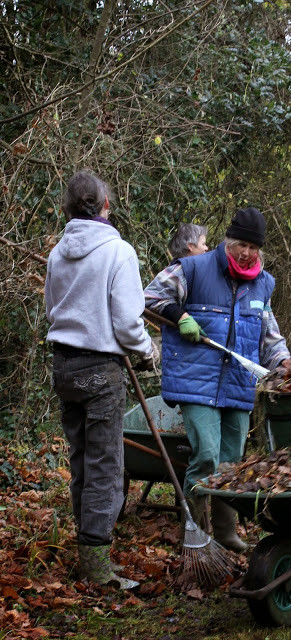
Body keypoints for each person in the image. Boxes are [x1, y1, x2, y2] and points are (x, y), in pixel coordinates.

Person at [144, 207, 290, 552]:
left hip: (238, 382)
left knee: (231, 463)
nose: (246, 253)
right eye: (240, 244)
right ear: (227, 240)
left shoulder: (262, 283)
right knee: (207, 456)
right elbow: (150, 296)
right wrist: (179, 316)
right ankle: (194, 536)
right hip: (196, 381)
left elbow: (268, 334)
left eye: (253, 248)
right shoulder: (193, 268)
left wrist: (283, 364)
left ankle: (225, 533)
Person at [45, 170, 159, 590]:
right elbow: (129, 323)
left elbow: (52, 309)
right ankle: (95, 566)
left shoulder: (59, 252)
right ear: (106, 205)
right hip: (99, 371)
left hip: (63, 366)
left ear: (68, 209)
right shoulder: (118, 252)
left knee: (80, 459)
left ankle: (87, 548)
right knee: (106, 466)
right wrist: (147, 352)